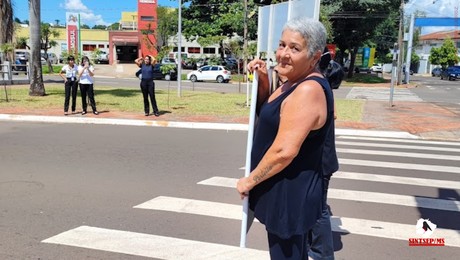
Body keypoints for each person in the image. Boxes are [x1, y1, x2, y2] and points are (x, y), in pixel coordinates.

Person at [236, 17, 335, 259]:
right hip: (283, 189)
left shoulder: (308, 90)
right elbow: (270, 111)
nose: (283, 54)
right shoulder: (292, 81)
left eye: (295, 48)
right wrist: (261, 80)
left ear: (315, 56)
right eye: (282, 45)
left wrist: (250, 181)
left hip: (289, 194)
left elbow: (284, 151)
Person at [308, 48, 344, 260]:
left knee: (319, 209)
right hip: (323, 161)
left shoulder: (322, 91)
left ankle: (323, 254)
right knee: (316, 207)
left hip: (322, 162)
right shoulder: (325, 91)